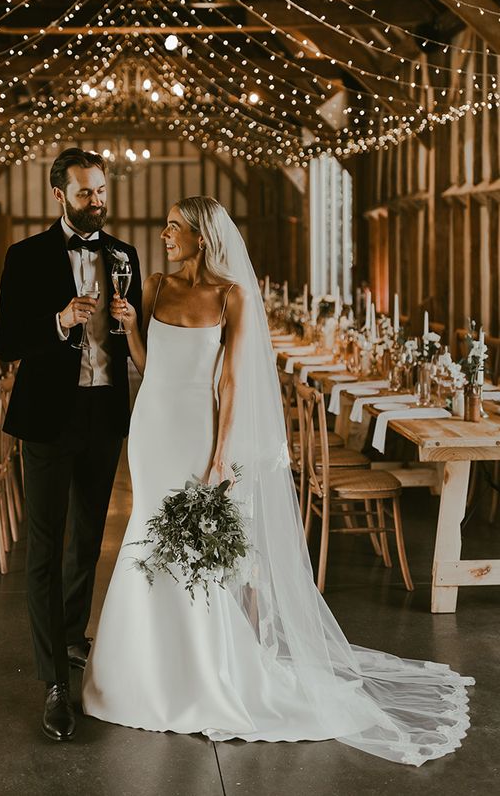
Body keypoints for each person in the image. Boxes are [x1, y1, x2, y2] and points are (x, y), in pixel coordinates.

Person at [82, 196, 473, 766]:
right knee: (146, 533)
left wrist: (221, 454)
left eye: (174, 227)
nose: (164, 235)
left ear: (201, 236)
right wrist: (131, 329)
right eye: (164, 226)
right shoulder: (156, 287)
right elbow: (148, 366)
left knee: (192, 548)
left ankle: (204, 669)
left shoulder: (232, 296)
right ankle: (138, 670)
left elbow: (232, 382)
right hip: (150, 430)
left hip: (198, 430)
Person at [0, 147, 141, 741]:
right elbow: (7, 342)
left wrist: (131, 323)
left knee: (87, 540)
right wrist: (58, 321)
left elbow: (139, 342)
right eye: (85, 192)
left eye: (101, 190)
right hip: (48, 418)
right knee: (45, 547)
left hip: (105, 413)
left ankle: (73, 637)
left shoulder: (124, 255)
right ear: (60, 194)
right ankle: (54, 680)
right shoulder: (26, 256)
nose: (97, 201)